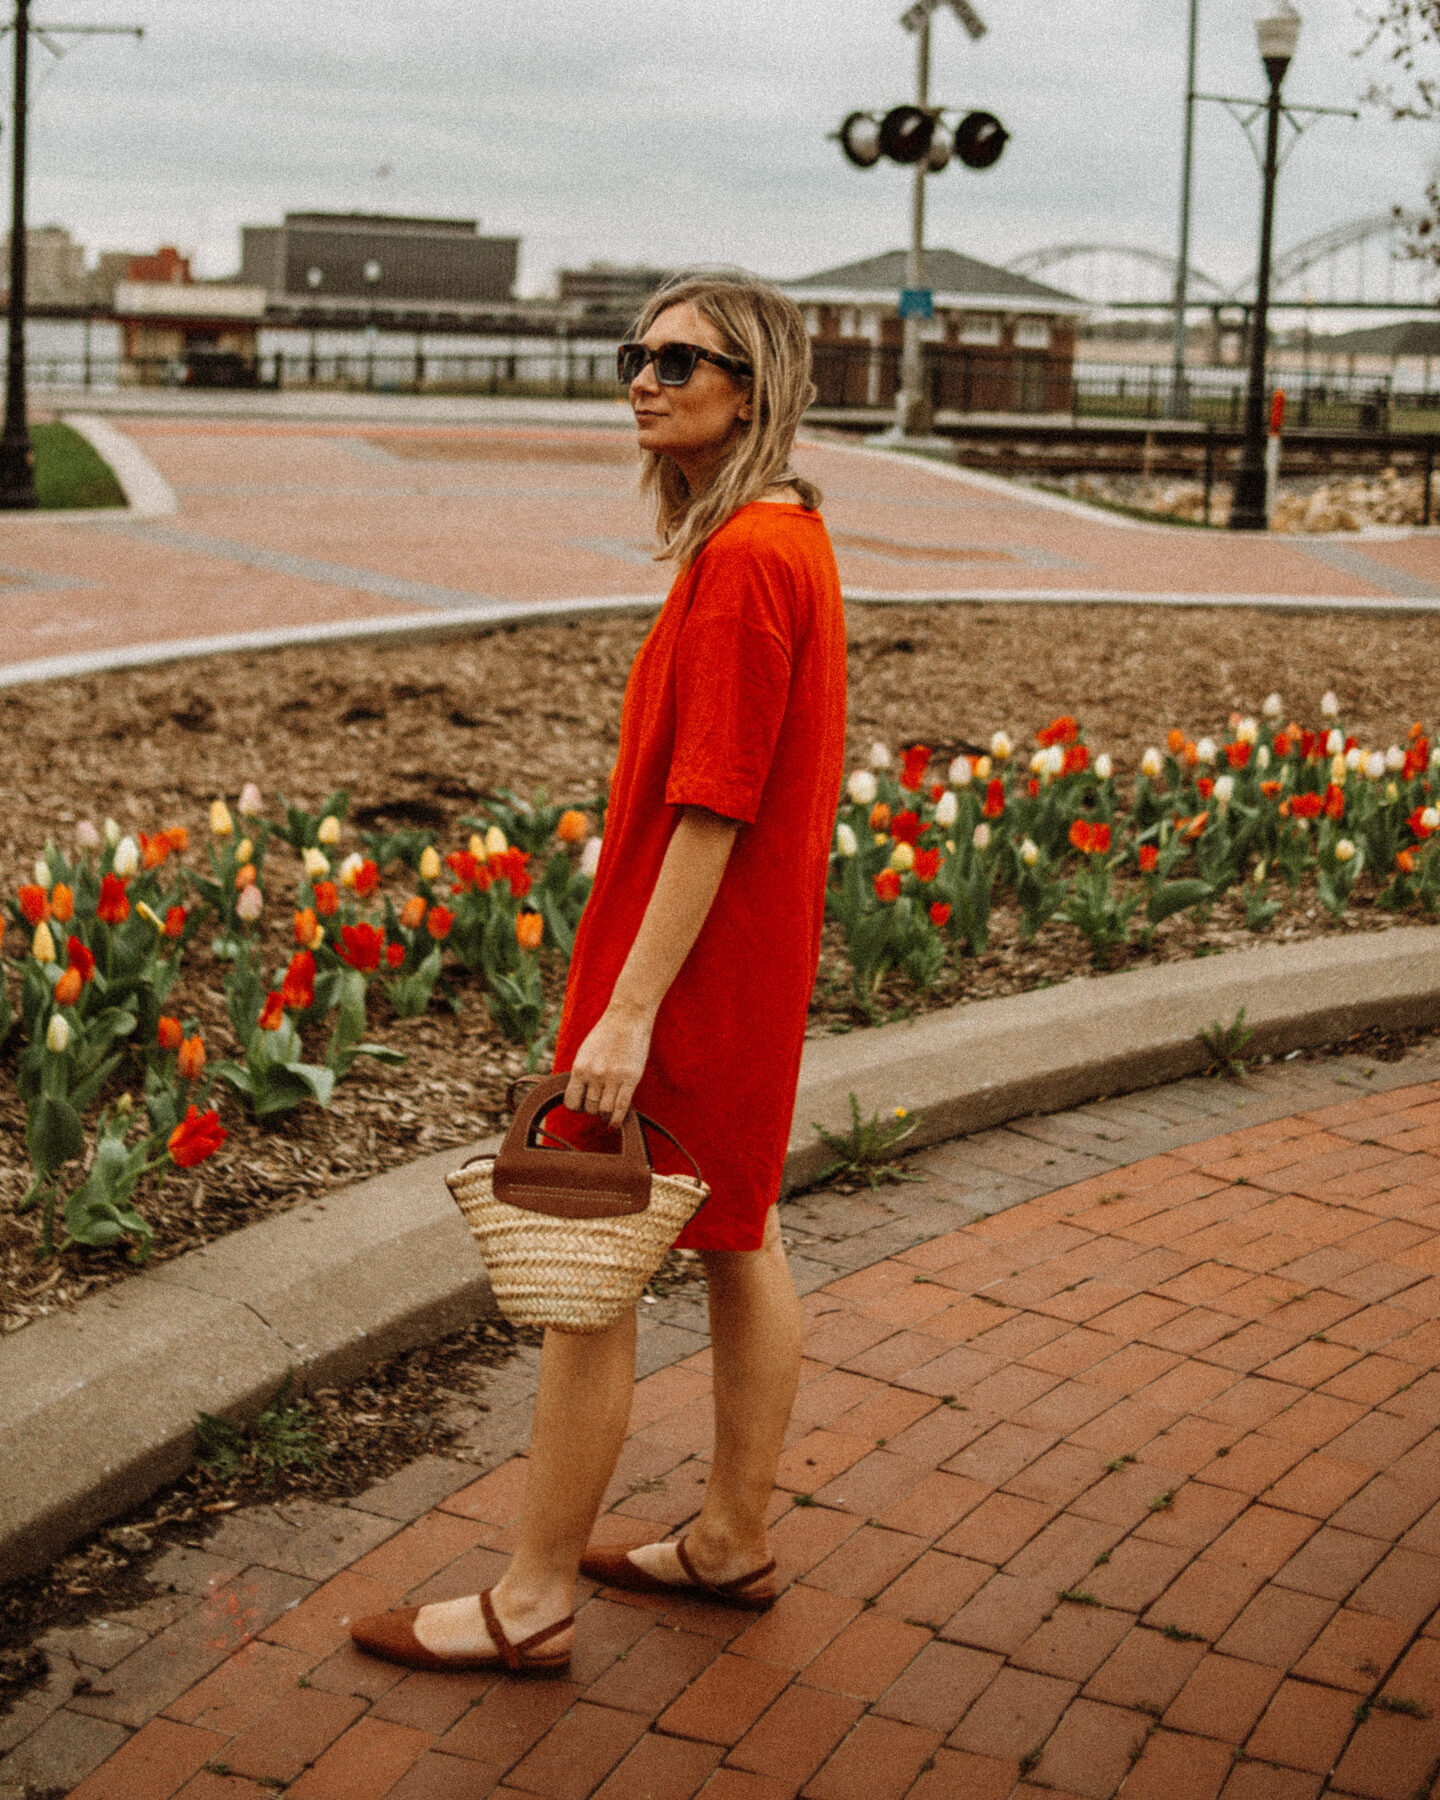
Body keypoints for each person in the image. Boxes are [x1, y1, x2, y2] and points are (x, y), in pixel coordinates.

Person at [350, 271, 847, 1675]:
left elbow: (716, 800)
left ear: (750, 385)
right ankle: (731, 1536)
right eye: (635, 353)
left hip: (682, 970)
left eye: (680, 360)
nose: (643, 378)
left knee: (586, 1266)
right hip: (742, 962)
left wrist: (628, 1004)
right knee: (738, 1236)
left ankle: (529, 1598)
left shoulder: (748, 557)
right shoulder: (788, 532)